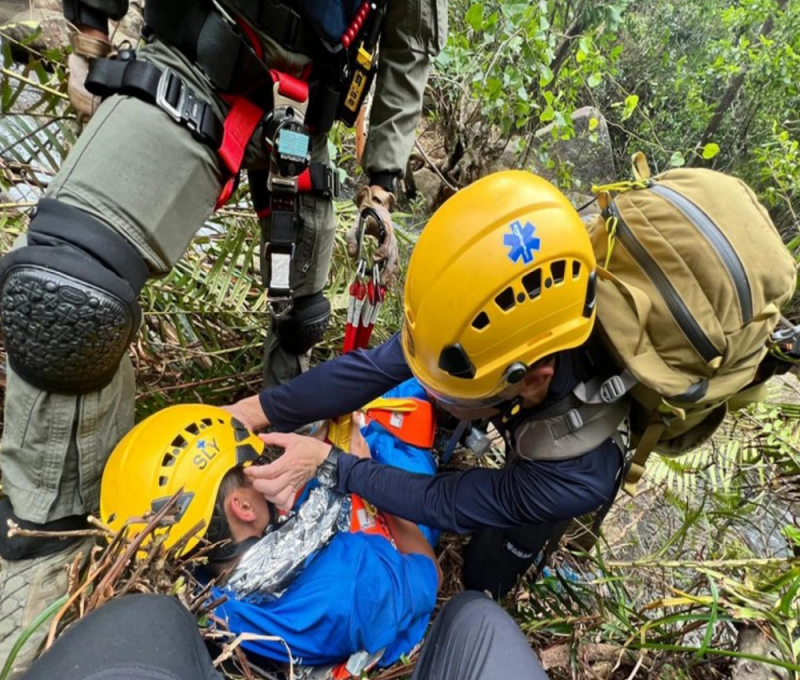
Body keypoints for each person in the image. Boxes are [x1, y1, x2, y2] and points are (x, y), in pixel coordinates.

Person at [0, 0, 447, 666]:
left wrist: (382, 177)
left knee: (300, 326)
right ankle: (48, 553)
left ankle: (267, 463)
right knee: (70, 295)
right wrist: (91, 29)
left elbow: (407, 41)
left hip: (304, 119)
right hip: (198, 54)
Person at [226, 170, 629, 598]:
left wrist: (334, 464)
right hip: (535, 401)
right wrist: (250, 412)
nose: (433, 394)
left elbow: (445, 501)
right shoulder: (483, 323)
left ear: (529, 381)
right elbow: (371, 370)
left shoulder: (575, 477)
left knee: (484, 575)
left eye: (445, 392)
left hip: (570, 452)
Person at [98, 404, 441, 672]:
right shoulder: (351, 588)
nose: (265, 467)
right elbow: (430, 572)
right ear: (243, 507)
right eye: (255, 466)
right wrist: (372, 480)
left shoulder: (205, 590)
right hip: (393, 507)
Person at [19, 591, 549, 680]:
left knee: (147, 618)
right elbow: (424, 575)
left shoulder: (222, 604)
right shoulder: (345, 596)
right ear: (243, 506)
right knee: (476, 615)